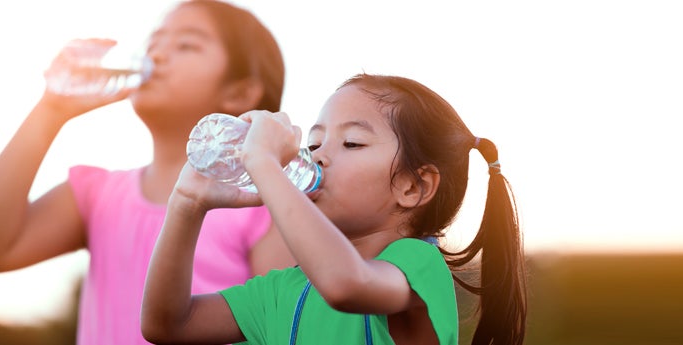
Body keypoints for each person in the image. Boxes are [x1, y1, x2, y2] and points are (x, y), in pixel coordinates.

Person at [0, 1, 295, 344]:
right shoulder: (96, 194)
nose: (156, 55)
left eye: (186, 45)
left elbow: (283, 325)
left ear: (239, 92)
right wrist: (50, 111)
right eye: (154, 42)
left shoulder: (261, 204)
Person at [140, 73, 527, 345]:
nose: (317, 157)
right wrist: (186, 204)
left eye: (352, 143)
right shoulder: (283, 289)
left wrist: (262, 162)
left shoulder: (416, 264)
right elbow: (169, 325)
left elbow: (345, 284)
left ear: (413, 186)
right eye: (315, 142)